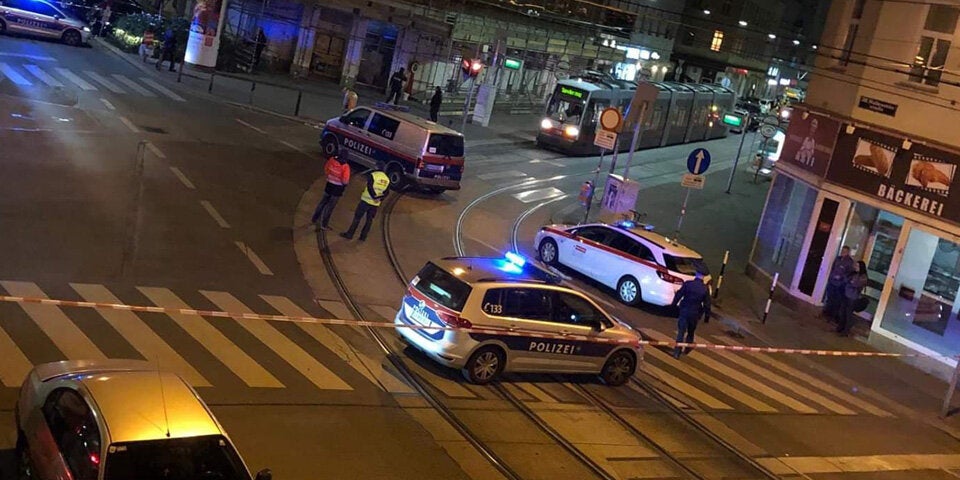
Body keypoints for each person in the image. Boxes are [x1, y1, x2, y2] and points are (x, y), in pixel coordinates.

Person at [341, 162, 390, 242]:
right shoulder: (387, 179)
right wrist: (379, 198)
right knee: (369, 220)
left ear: (377, 167)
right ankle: (363, 237)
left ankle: (350, 234)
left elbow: (370, 187)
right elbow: (387, 192)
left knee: (357, 218)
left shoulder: (373, 175)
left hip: (365, 201)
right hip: (375, 204)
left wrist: (374, 196)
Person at [670, 271, 711, 359]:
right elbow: (707, 304)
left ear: (696, 275)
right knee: (691, 332)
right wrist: (706, 317)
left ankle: (677, 352)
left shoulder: (688, 284)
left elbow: (679, 295)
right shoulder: (704, 289)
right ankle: (688, 348)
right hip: (695, 314)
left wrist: (673, 305)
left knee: (681, 332)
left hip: (684, 311)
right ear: (703, 277)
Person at [311, 155, 351, 231]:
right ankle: (324, 224)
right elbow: (345, 180)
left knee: (322, 202)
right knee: (330, 207)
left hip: (329, 185)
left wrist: (330, 177)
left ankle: (314, 218)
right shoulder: (345, 166)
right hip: (337, 189)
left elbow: (326, 169)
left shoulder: (332, 160)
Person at [823, 246, 855, 323]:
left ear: (848, 252)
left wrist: (841, 277)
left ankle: (834, 317)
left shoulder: (850, 262)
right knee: (830, 298)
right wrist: (831, 276)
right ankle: (827, 313)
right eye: (842, 251)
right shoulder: (838, 259)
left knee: (837, 301)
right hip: (832, 282)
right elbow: (833, 268)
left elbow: (849, 274)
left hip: (840, 285)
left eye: (845, 251)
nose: (843, 252)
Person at [838, 261, 868, 336]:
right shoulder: (853, 273)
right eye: (856, 265)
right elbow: (846, 279)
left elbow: (856, 284)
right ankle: (840, 327)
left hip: (853, 297)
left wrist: (851, 282)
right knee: (842, 312)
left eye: (858, 266)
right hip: (846, 294)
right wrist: (850, 281)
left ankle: (846, 331)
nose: (856, 267)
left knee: (848, 314)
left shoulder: (863, 276)